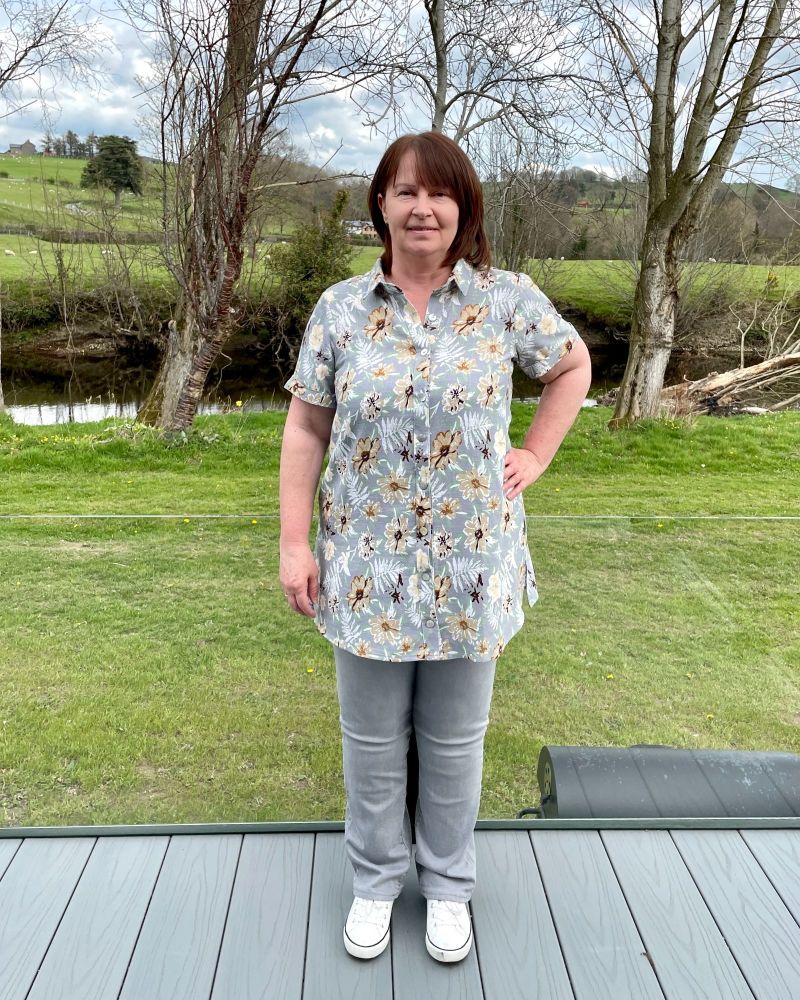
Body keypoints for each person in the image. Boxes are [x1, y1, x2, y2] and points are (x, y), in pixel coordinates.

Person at [279, 131, 592, 963]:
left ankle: (449, 886)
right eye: (405, 192)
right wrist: (293, 541)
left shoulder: (507, 300)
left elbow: (572, 366)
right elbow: (307, 425)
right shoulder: (341, 310)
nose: (423, 208)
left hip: (471, 566)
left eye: (440, 194)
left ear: (463, 209)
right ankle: (376, 883)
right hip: (366, 568)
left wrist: (536, 453)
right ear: (380, 203)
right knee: (372, 740)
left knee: (456, 740)